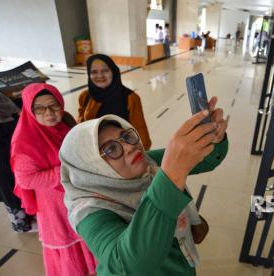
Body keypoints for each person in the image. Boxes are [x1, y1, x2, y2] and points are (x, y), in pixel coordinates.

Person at [59, 97, 228, 275]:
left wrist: (213, 138)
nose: (129, 147)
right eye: (111, 149)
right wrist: (170, 177)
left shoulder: (147, 162)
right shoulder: (89, 211)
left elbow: (207, 159)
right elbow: (127, 266)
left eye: (126, 136)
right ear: (93, 169)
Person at [11, 83, 96, 276]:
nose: (48, 112)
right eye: (39, 108)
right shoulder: (24, 140)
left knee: (85, 235)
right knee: (70, 248)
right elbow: (26, 179)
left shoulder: (65, 122)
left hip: (76, 195)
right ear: (29, 110)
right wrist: (68, 169)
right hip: (54, 205)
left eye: (54, 105)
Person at [0, 58, 36, 232]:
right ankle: (21, 224)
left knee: (20, 182)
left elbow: (9, 109)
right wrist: (14, 127)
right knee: (9, 187)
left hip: (11, 149)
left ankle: (30, 215)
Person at [78, 54, 152, 149]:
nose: (100, 75)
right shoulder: (85, 96)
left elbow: (140, 132)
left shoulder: (130, 98)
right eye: (94, 72)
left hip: (122, 152)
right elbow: (80, 125)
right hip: (94, 150)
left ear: (113, 71)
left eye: (105, 70)